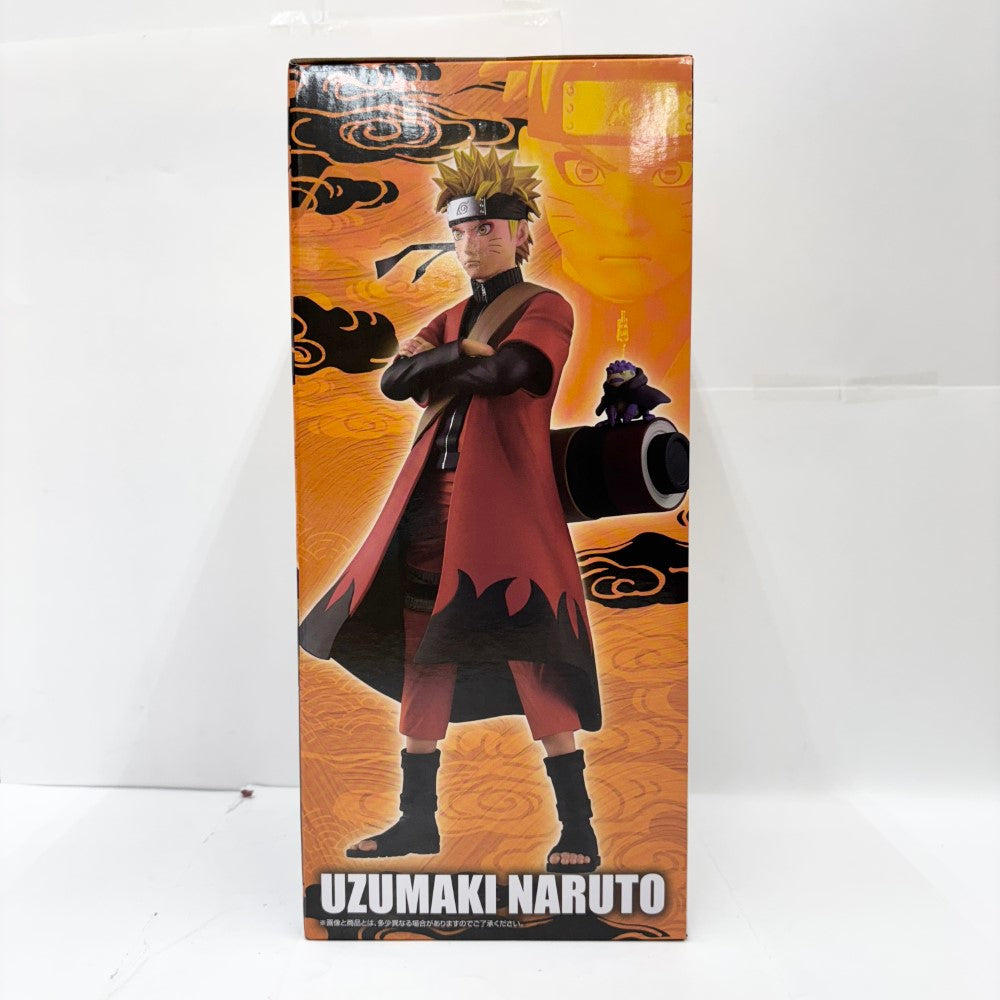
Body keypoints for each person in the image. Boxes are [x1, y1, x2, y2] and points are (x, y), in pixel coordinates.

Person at [299, 146, 601, 873]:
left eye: (487, 228)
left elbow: (513, 372)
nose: (472, 242)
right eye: (462, 230)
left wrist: (442, 361)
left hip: (504, 514)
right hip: (428, 511)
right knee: (421, 656)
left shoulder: (545, 307)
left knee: (535, 653)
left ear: (520, 233)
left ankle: (579, 827)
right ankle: (416, 821)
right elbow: (395, 382)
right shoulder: (452, 317)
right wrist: (456, 351)